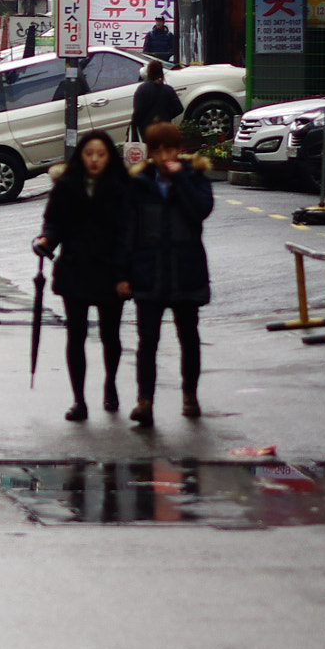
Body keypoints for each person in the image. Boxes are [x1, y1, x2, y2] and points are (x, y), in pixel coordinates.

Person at [121, 121, 214, 427]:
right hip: (149, 272)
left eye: (170, 149)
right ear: (150, 153)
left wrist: (180, 181)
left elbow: (200, 210)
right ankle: (144, 401)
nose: (164, 156)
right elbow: (128, 233)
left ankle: (191, 395)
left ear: (179, 150)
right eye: (158, 150)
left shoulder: (195, 177)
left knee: (189, 336)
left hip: (185, 269)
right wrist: (125, 274)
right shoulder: (139, 183)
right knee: (147, 340)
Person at [34, 130, 129, 421]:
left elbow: (129, 234)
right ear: (81, 156)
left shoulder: (121, 187)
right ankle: (79, 400)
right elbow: (53, 223)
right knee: (75, 335)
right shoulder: (66, 186)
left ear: (109, 157)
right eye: (89, 154)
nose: (95, 160)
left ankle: (110, 385)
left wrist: (126, 275)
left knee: (110, 334)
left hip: (111, 270)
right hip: (74, 268)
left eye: (101, 154)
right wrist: (46, 241)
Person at [130, 60, 184, 142]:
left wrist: (134, 124)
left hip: (146, 130)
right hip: (164, 128)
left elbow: (138, 110)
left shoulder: (142, 89)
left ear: (148, 72)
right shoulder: (168, 89)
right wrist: (166, 115)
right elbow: (179, 108)